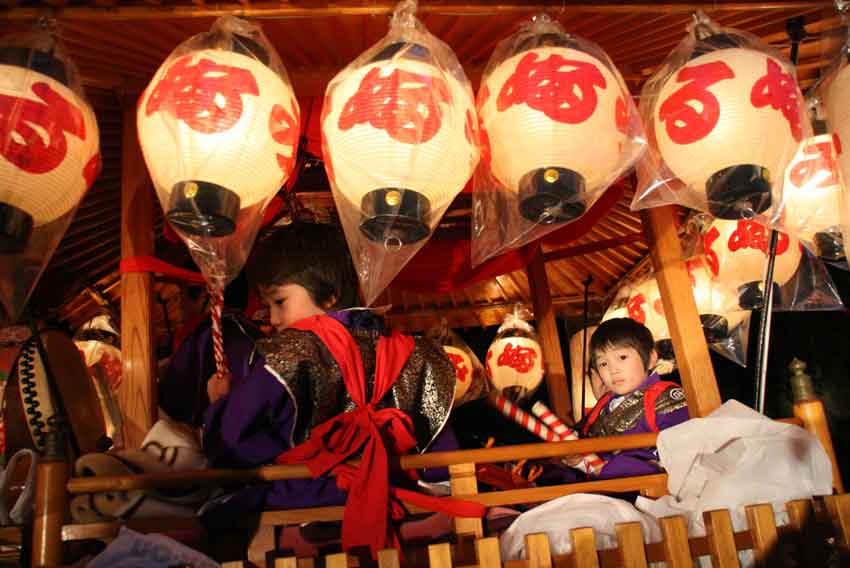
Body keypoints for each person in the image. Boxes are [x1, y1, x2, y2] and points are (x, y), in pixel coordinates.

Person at [188, 222, 469, 556]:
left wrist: (219, 404)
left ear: (329, 295)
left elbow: (233, 442)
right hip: (401, 494)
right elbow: (440, 444)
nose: (273, 318)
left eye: (280, 301)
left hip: (315, 496)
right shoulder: (416, 352)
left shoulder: (290, 354)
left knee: (211, 514)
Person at [573, 317, 689, 479]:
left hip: (647, 487)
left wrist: (614, 467)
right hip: (603, 485)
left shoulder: (665, 396)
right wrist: (574, 458)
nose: (613, 370)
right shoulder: (603, 404)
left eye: (622, 357)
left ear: (651, 358)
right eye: (603, 364)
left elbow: (684, 454)